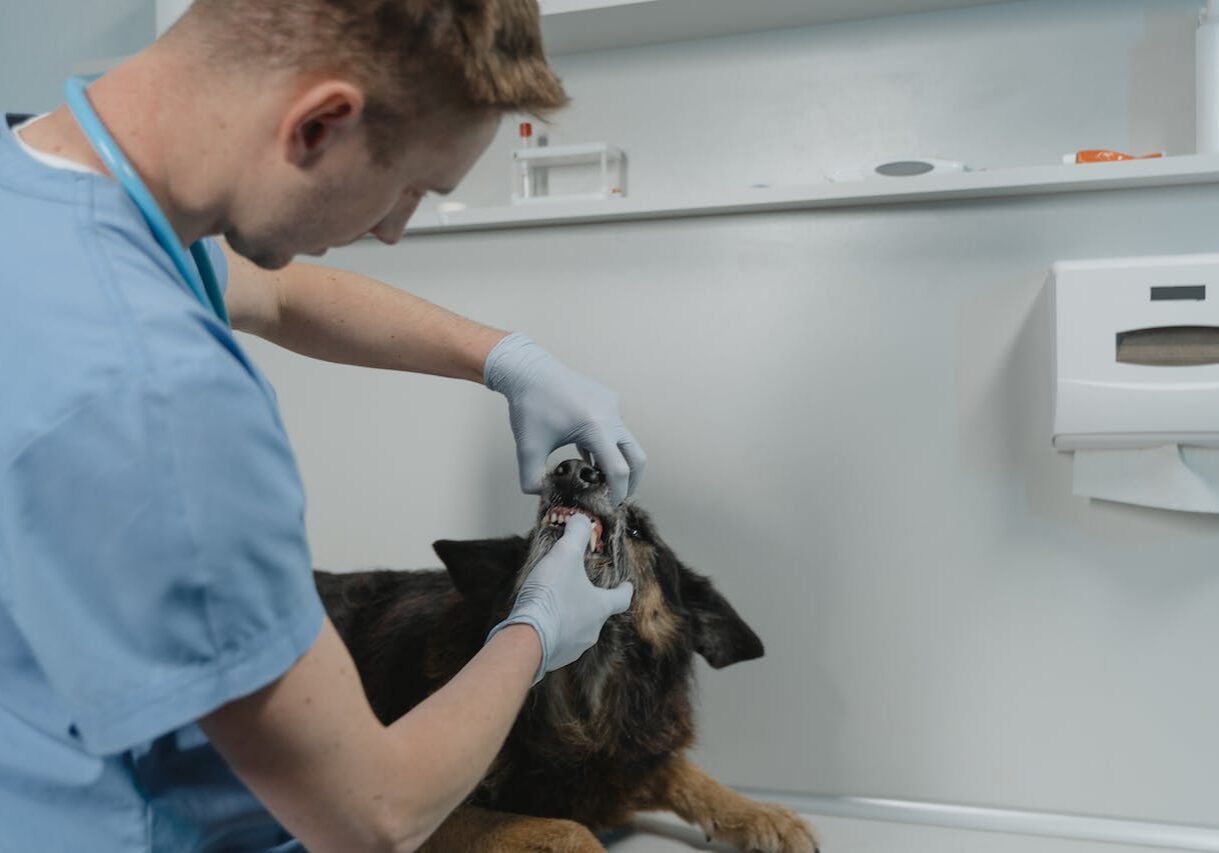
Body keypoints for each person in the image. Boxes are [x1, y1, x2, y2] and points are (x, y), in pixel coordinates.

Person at [0, 1, 645, 850]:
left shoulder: (51, 186)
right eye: (411, 187)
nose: (391, 228)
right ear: (319, 125)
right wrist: (532, 626)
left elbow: (269, 288)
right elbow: (373, 815)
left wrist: (501, 356)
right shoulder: (165, 399)